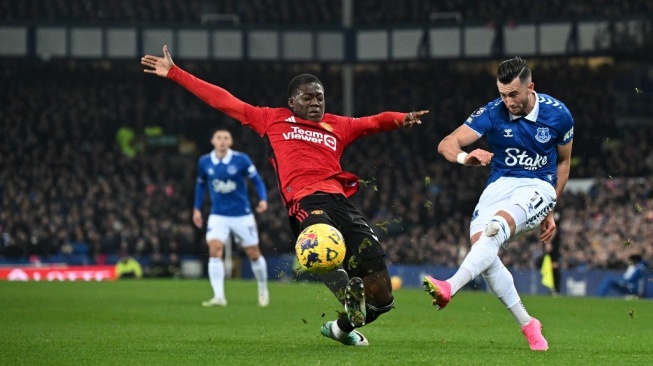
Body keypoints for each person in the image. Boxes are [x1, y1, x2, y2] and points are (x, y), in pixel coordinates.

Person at [141, 45, 428, 346]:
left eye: (320, 97)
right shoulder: (272, 119)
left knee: (381, 295)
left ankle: (342, 327)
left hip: (341, 203)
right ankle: (345, 290)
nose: (316, 102)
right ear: (292, 102)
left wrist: (401, 117)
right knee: (320, 241)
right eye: (308, 97)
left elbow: (372, 122)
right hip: (306, 203)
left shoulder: (337, 125)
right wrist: (175, 73)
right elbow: (224, 101)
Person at [423, 56, 573, 351]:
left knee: (495, 229)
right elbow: (447, 143)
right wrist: (467, 157)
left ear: (531, 87)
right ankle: (529, 324)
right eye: (502, 94)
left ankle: (449, 286)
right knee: (484, 250)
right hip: (499, 186)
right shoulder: (492, 112)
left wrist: (550, 207)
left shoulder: (559, 115)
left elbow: (565, 161)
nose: (507, 101)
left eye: (513, 94)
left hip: (539, 185)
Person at [193, 128, 270, 307]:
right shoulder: (204, 162)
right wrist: (196, 209)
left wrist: (263, 199)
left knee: (253, 253)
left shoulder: (241, 159)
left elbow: (257, 180)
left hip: (242, 215)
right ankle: (219, 296)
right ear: (213, 141)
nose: (222, 140)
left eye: (226, 137)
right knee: (214, 250)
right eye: (218, 137)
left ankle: (263, 287)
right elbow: (200, 186)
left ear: (230, 142)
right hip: (218, 215)